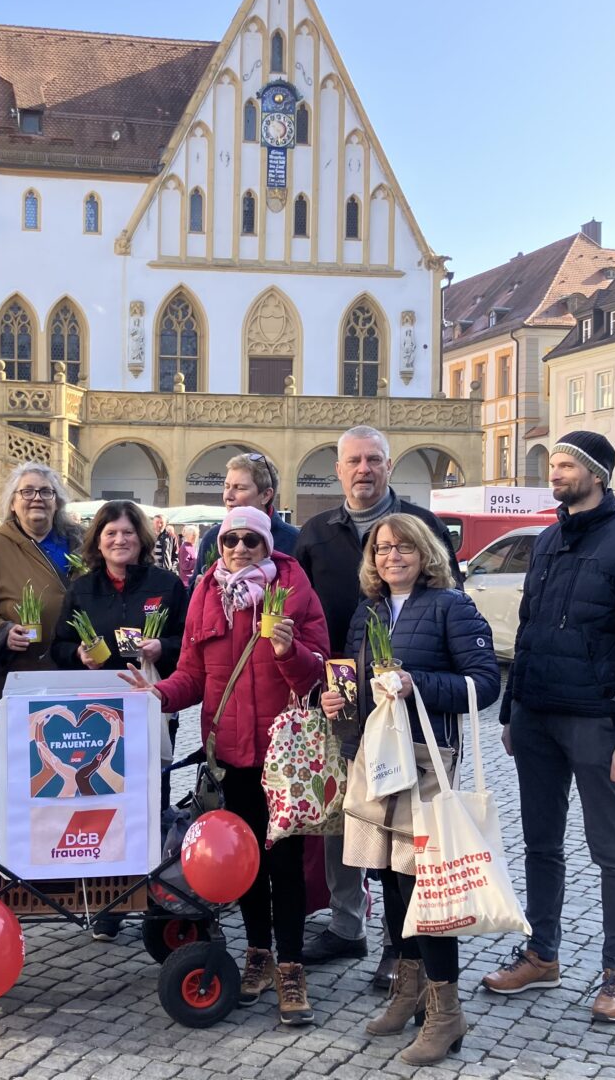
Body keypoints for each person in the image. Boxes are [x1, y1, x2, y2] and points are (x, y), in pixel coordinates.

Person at [124, 505, 329, 1025]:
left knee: (286, 864)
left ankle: (291, 966)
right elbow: (193, 673)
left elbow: (319, 673)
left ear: (267, 545)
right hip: (231, 754)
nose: (239, 548)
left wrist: (287, 651)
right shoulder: (207, 593)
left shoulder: (294, 589)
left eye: (250, 541)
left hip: (284, 755)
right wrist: (159, 694)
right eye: (229, 539)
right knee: (247, 862)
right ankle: (256, 954)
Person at [481, 432, 615, 1023]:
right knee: (540, 844)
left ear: (597, 474)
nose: (553, 472)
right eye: (552, 463)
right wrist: (510, 712)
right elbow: (527, 631)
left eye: (564, 464)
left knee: (611, 850)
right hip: (537, 717)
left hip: (596, 723)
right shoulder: (550, 539)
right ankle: (542, 954)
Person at [325, 513, 499, 1065]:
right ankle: (408, 990)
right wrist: (333, 701)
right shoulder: (369, 611)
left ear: (425, 553)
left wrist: (414, 681)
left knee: (427, 887)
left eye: (403, 547)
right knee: (392, 880)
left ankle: (447, 1012)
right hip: (376, 760)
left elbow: (484, 684)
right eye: (381, 548)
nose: (391, 556)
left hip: (428, 760)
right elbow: (353, 681)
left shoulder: (451, 606)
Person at [295, 426, 460, 979]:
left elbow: (450, 615)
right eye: (352, 462)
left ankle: (402, 947)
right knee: (350, 821)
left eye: (373, 460)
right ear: (338, 470)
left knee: (405, 841)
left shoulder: (421, 526)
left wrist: (422, 683)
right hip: (344, 697)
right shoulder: (316, 531)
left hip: (412, 719)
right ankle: (348, 926)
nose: (363, 470)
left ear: (388, 467)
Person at [51, 500, 188, 941]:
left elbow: (188, 642)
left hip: (150, 710)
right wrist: (77, 654)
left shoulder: (166, 585)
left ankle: (154, 898)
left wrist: (160, 649)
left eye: (128, 533)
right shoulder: (82, 590)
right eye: (111, 534)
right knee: (101, 804)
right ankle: (109, 900)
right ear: (98, 540)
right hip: (96, 718)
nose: (120, 540)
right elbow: (58, 646)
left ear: (141, 539)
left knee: (151, 803)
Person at [0, 462, 81, 699]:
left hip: (81, 669)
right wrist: (1, 632)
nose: (37, 498)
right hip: (25, 674)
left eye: (46, 491)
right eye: (27, 491)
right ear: (13, 504)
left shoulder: (82, 542)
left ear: (56, 502)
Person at [190, 452, 298, 587]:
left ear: (265, 495)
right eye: (227, 487)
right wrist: (198, 588)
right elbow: (191, 596)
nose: (228, 496)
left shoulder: (294, 541)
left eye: (239, 488)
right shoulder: (213, 537)